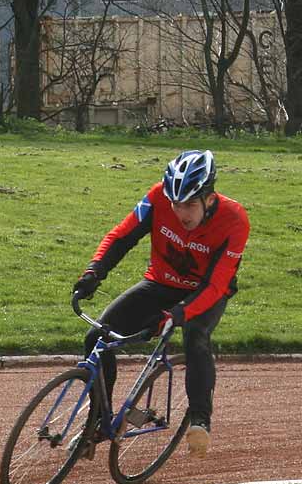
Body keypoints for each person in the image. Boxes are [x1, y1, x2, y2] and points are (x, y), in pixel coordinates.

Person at [72, 149, 250, 459]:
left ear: (209, 198)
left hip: (204, 293)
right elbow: (121, 236)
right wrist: (94, 271)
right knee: (97, 336)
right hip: (160, 283)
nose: (182, 214)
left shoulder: (234, 220)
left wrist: (175, 315)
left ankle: (199, 420)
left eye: (191, 205)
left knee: (195, 334)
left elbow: (216, 284)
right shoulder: (156, 198)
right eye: (176, 204)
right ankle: (98, 422)